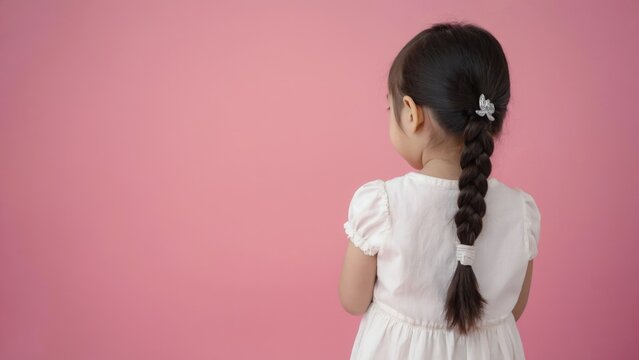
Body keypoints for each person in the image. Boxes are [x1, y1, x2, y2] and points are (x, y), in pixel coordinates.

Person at [338, 21, 541, 359]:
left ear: (412, 114)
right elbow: (513, 309)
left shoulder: (381, 205)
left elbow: (353, 299)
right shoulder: (522, 211)